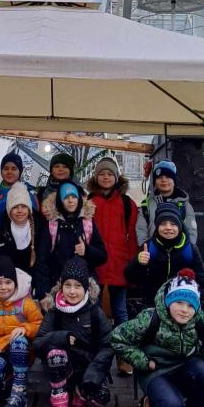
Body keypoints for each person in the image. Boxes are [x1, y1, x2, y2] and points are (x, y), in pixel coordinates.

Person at [111, 268, 204, 407]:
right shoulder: (150, 318)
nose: (184, 310)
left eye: (191, 305)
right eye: (179, 302)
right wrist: (143, 362)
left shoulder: (199, 320)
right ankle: (152, 405)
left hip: (184, 366)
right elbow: (117, 338)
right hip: (155, 369)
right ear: (168, 300)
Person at [34, 257, 113, 407]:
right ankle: (60, 406)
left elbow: (108, 345)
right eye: (67, 285)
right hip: (61, 365)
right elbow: (38, 342)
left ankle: (80, 395)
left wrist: (95, 373)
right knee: (56, 355)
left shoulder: (95, 312)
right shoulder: (54, 310)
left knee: (101, 396)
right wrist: (61, 337)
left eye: (77, 286)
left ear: (86, 288)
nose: (72, 291)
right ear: (61, 286)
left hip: (87, 364)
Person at [86, 157, 138, 375]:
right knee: (94, 312)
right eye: (102, 174)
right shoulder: (89, 201)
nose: (106, 177)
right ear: (96, 177)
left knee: (120, 311)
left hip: (119, 263)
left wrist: (133, 263)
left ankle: (123, 357)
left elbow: (133, 234)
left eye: (109, 174)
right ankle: (96, 356)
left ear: (116, 177)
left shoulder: (127, 203)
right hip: (96, 263)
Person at [0, 255, 42, 407]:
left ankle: (19, 391)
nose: (3, 287)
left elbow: (40, 324)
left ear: (15, 283)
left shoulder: (26, 303)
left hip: (20, 350)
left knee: (18, 343)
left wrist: (26, 328)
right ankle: (6, 384)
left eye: (8, 282)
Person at [125, 201, 204, 308]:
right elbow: (130, 278)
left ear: (179, 226)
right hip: (153, 305)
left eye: (173, 224)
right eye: (163, 224)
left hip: (183, 307)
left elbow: (202, 280)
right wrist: (138, 262)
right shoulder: (148, 247)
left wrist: (198, 305)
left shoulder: (190, 249)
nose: (168, 227)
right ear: (157, 226)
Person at [34, 182, 106, 298]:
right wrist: (44, 294)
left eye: (74, 196)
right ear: (60, 201)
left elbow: (102, 256)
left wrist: (87, 250)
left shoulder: (87, 222)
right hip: (58, 289)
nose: (71, 201)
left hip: (85, 290)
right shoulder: (51, 225)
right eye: (66, 197)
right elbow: (42, 262)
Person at [0, 152, 38, 261]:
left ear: (20, 171)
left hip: (23, 255)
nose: (9, 172)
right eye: (5, 168)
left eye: (14, 168)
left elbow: (36, 226)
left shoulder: (30, 197)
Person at [137, 159, 198, 249]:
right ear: (154, 182)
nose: (164, 180)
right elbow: (141, 230)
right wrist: (146, 249)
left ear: (174, 181)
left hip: (179, 254)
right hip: (153, 254)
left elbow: (191, 231)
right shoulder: (146, 205)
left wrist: (183, 250)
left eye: (168, 176)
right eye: (159, 177)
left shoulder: (185, 205)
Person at [0, 182, 41, 281]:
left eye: (23, 206)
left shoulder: (40, 229)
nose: (20, 211)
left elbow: (44, 262)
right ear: (9, 210)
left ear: (29, 209)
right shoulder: (1, 231)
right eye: (15, 207)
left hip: (33, 283)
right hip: (7, 283)